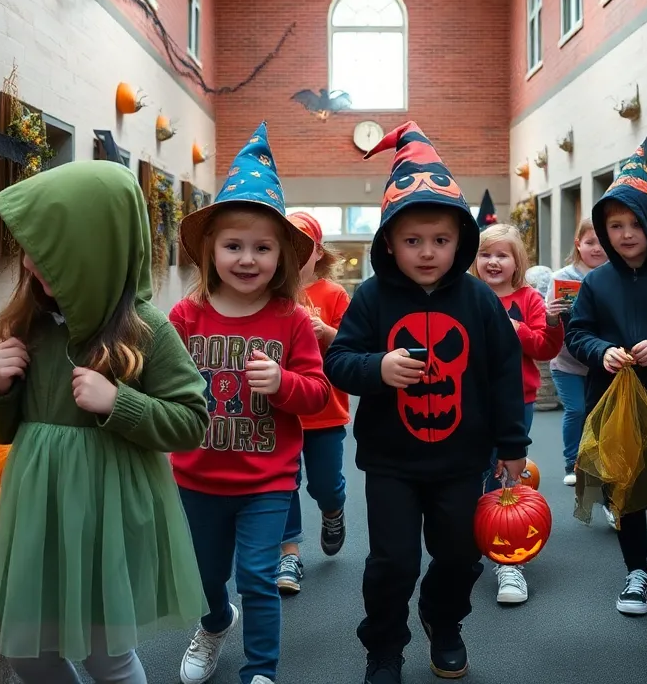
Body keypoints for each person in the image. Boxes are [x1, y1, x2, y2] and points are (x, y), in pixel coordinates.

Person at [0, 160, 209, 684]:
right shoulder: (31, 323)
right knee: (29, 651)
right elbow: (0, 430)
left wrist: (117, 402)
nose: (31, 261)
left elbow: (192, 420)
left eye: (49, 249)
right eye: (28, 248)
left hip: (107, 516)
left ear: (92, 250)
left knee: (107, 656)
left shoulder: (146, 329)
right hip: (41, 514)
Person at [324, 122, 527, 684]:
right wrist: (378, 368)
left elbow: (505, 373)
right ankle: (384, 646)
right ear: (389, 242)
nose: (428, 252)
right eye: (413, 240)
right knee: (392, 562)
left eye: (440, 240)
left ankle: (445, 621)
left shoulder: (480, 302)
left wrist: (512, 446)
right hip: (392, 460)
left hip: (464, 459)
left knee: (460, 555)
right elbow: (338, 361)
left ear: (460, 241)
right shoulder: (370, 298)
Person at [170, 124, 331, 684]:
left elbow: (318, 393)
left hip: (267, 478)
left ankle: (261, 670)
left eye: (262, 247)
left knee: (259, 577)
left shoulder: (290, 320)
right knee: (204, 576)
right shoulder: (186, 318)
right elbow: (161, 385)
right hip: (197, 476)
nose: (247, 258)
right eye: (233, 245)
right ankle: (214, 624)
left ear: (282, 256)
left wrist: (282, 381)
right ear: (209, 251)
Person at [564, 144, 647, 616]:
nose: (625, 234)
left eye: (635, 224)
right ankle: (635, 569)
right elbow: (577, 333)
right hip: (611, 401)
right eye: (615, 226)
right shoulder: (596, 283)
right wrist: (602, 351)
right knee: (625, 487)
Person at [472, 222, 564, 605]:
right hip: (469, 398)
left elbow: (545, 347)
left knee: (504, 469)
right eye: (485, 254)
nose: (493, 262)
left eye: (502, 255)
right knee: (471, 468)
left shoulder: (527, 299)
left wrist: (519, 329)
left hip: (516, 399)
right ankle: (469, 537)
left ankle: (507, 557)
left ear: (517, 261)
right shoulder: (466, 294)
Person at [274, 210, 352, 594]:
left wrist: (328, 331)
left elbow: (355, 346)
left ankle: (333, 509)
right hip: (280, 410)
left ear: (318, 251)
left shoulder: (333, 294)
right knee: (284, 483)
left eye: (302, 244)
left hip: (325, 411)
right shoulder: (271, 295)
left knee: (326, 485)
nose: (294, 251)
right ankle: (289, 553)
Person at [545, 217, 608, 486]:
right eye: (590, 242)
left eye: (601, 242)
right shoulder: (561, 278)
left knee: (601, 413)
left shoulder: (613, 277)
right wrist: (551, 315)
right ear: (578, 244)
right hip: (567, 362)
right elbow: (548, 322)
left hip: (601, 361)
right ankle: (572, 462)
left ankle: (597, 461)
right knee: (576, 410)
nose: (596, 248)